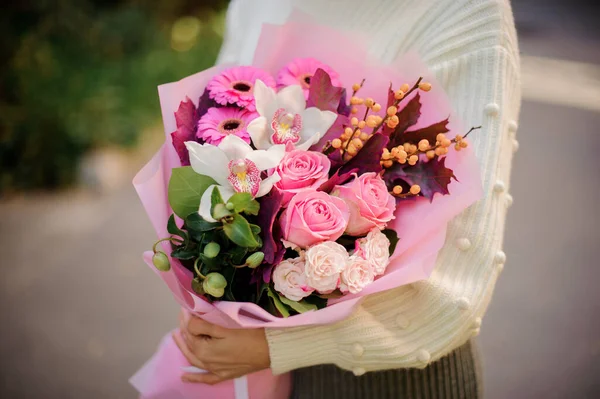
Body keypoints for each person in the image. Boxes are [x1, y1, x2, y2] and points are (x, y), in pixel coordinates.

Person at [173, 0, 521, 397]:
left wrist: (282, 346)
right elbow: (211, 137)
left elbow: (456, 288)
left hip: (390, 379)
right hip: (237, 362)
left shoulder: (464, 13)